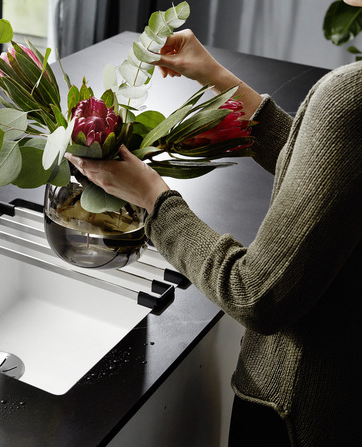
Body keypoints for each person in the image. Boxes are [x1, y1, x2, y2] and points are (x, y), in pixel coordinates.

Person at [65, 2, 362, 446]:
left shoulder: (350, 97)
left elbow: (254, 294)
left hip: (295, 417)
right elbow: (338, 176)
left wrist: (153, 200)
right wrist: (220, 81)